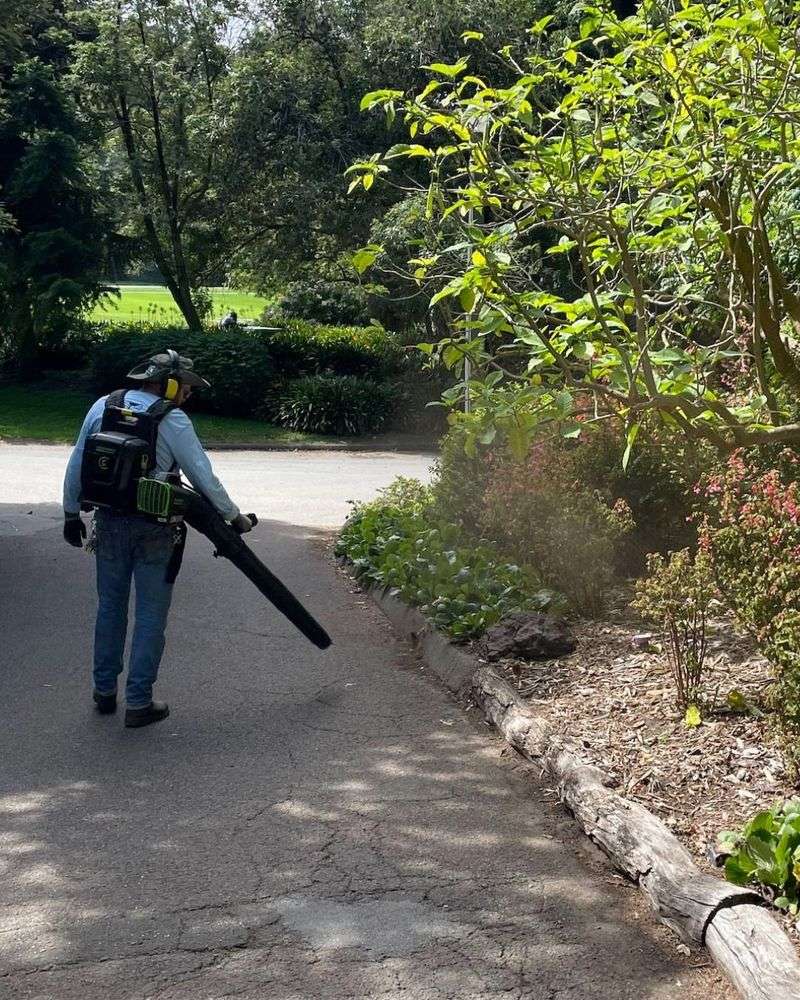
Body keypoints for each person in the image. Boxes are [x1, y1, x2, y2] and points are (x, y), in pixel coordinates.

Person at [62, 350, 253, 728]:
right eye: (185, 387)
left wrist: (71, 513)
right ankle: (138, 702)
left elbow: (78, 460)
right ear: (168, 383)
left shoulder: (104, 405)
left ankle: (104, 693)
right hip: (156, 530)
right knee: (150, 616)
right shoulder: (173, 419)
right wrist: (235, 518)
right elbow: (202, 477)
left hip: (110, 524)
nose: (188, 395)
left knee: (110, 609)